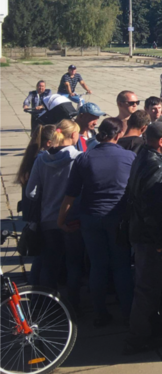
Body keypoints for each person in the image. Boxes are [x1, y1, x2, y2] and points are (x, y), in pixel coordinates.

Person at [59, 118, 136, 327]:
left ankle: (100, 313)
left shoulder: (85, 158)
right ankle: (128, 313)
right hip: (118, 218)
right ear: (119, 134)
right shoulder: (130, 156)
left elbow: (70, 194)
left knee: (98, 266)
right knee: (122, 266)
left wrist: (62, 220)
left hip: (90, 217)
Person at [123, 121, 162, 354]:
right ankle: (138, 338)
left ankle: (152, 325)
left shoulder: (144, 157)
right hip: (149, 238)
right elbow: (153, 209)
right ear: (160, 142)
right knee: (146, 289)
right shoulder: (154, 166)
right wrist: (160, 239)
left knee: (152, 287)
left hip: (142, 233)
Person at [25, 120, 83, 306]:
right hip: (72, 219)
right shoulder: (79, 158)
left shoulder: (41, 159)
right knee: (74, 264)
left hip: (48, 219)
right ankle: (73, 304)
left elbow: (31, 192)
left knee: (50, 264)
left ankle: (46, 304)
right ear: (74, 135)